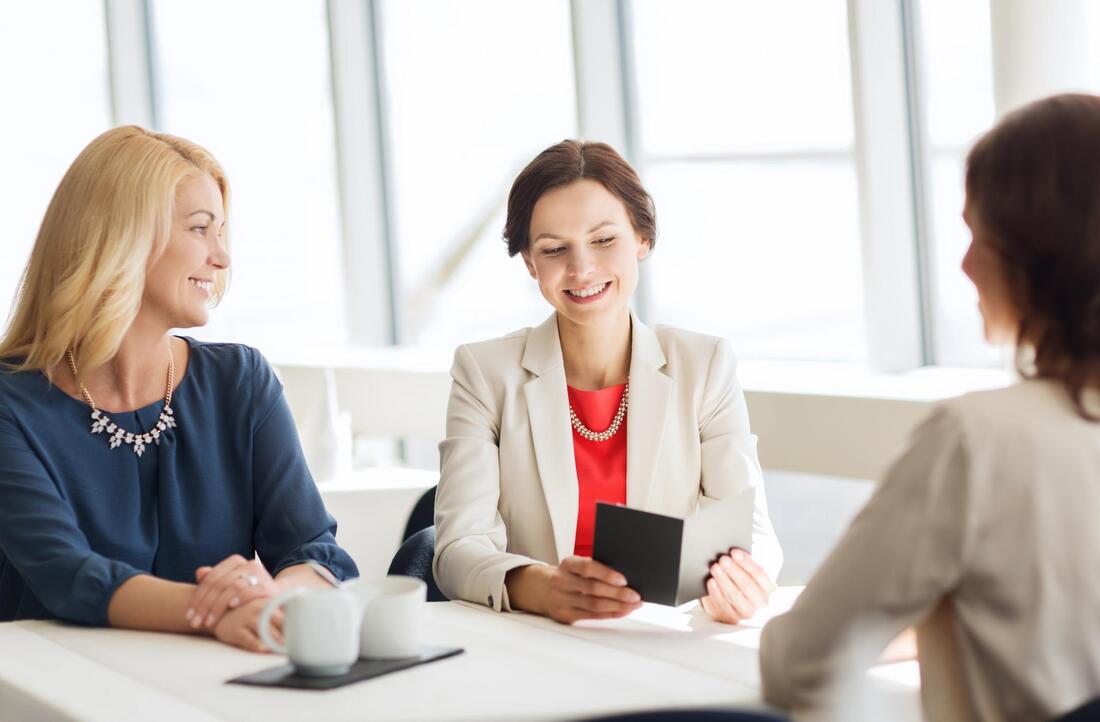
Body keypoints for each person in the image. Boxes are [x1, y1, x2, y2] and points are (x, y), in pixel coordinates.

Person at [758, 93, 1100, 720]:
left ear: (1035, 256)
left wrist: (913, 622)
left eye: (978, 235)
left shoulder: (978, 440)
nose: (964, 263)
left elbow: (798, 660)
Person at [0, 126, 358, 652]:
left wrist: (271, 600)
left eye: (221, 232)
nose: (221, 257)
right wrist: (215, 612)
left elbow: (317, 555)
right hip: (60, 689)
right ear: (124, 237)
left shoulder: (241, 383)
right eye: (199, 229)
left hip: (212, 687)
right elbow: (67, 575)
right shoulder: (13, 403)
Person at [433, 140, 782, 624]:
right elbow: (455, 551)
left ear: (642, 238)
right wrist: (544, 588)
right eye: (554, 249)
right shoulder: (483, 372)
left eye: (603, 240)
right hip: (539, 637)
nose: (581, 269)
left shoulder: (704, 365)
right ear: (531, 263)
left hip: (659, 638)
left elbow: (755, 531)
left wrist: (741, 580)